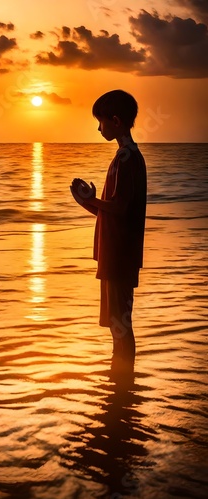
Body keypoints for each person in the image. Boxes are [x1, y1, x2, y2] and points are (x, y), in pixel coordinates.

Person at [70, 89, 147, 365]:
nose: (98, 127)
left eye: (101, 121)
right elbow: (112, 211)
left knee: (121, 323)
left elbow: (119, 207)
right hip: (115, 253)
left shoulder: (127, 158)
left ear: (115, 120)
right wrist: (86, 202)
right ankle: (121, 383)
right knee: (118, 322)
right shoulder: (125, 157)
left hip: (119, 255)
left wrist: (93, 200)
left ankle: (123, 383)